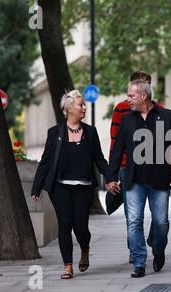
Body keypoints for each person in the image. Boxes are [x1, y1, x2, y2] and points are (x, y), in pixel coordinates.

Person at [31, 90, 112, 279]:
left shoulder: (90, 132)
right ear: (69, 109)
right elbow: (46, 161)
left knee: (81, 227)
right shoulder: (55, 133)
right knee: (65, 224)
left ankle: (85, 248)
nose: (84, 107)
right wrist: (36, 187)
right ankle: (67, 265)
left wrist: (110, 177)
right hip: (60, 187)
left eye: (84, 104)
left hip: (83, 187)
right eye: (80, 104)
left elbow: (99, 159)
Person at [107, 80, 171, 278]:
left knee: (160, 222)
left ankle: (158, 250)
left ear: (144, 95)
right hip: (134, 181)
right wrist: (111, 177)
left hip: (160, 180)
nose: (128, 100)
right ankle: (139, 262)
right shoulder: (127, 120)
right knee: (134, 220)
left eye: (131, 96)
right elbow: (117, 150)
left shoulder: (168, 117)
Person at [109, 71, 163, 264]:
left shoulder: (160, 110)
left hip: (154, 169)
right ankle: (135, 252)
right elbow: (115, 142)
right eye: (141, 85)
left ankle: (155, 240)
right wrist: (112, 175)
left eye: (147, 85)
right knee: (132, 216)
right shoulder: (121, 109)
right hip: (128, 169)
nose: (146, 89)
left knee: (159, 217)